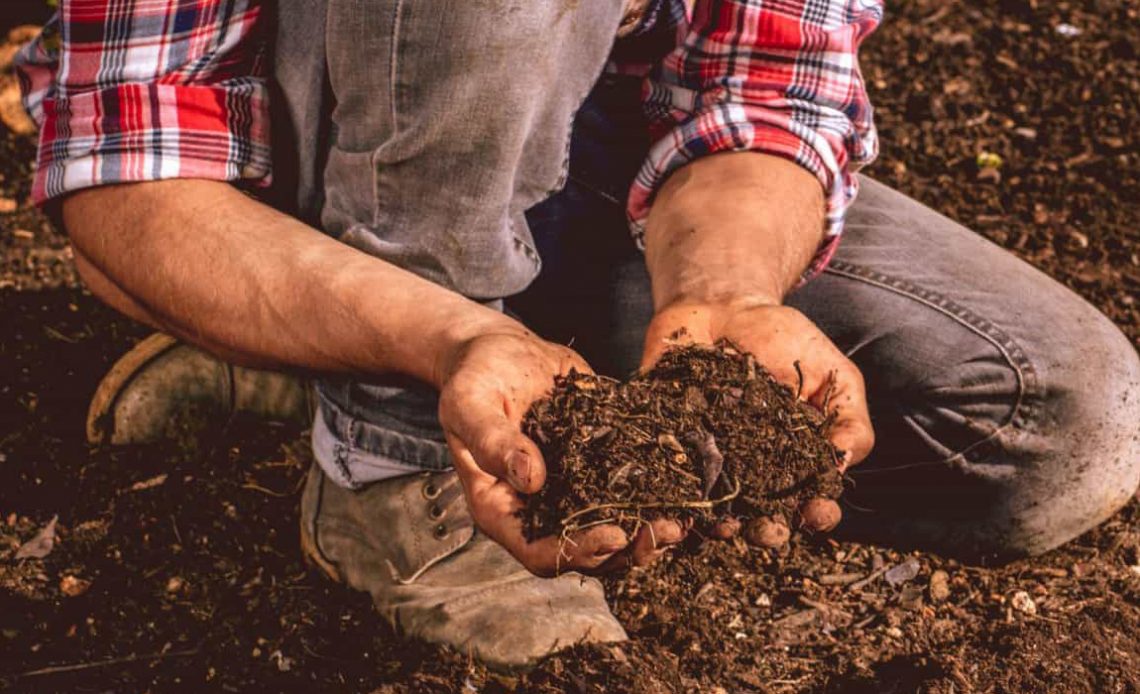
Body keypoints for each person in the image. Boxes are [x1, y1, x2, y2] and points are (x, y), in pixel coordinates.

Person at [15, 0, 1139, 670]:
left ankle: (326, 353)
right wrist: (443, 341)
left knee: (1048, 421)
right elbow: (128, 167)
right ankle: (386, 452)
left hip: (589, 149)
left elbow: (769, 84)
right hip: (289, 161)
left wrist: (725, 295)